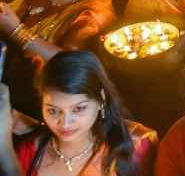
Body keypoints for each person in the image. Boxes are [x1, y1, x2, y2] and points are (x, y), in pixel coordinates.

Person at [0, 0, 116, 113]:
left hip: (49, 100)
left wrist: (17, 31)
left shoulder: (91, 14)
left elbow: (70, 61)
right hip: (10, 82)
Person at [0, 50, 156, 176]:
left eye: (79, 108)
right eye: (53, 110)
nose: (65, 123)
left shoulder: (132, 150)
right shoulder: (29, 152)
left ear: (101, 98)